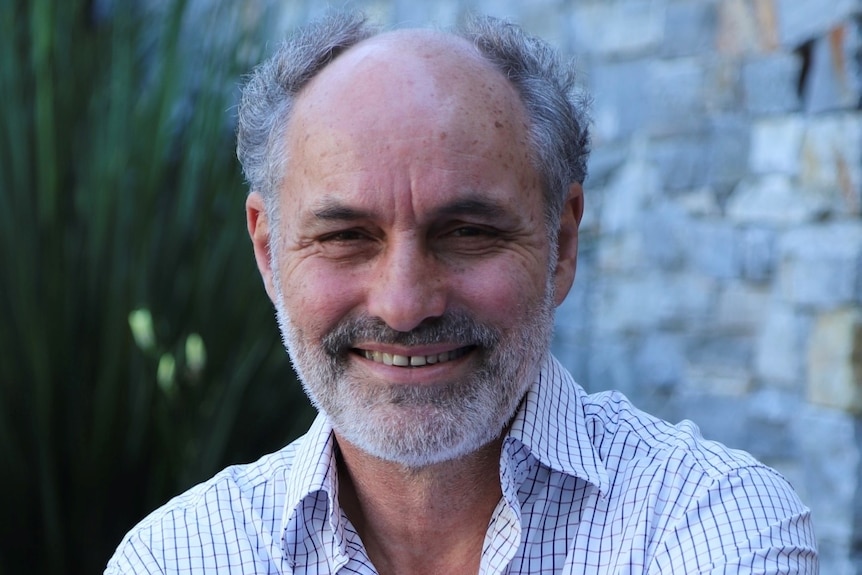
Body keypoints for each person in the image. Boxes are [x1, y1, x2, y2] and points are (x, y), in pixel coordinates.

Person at [105, 10, 818, 575]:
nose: (404, 303)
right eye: (347, 236)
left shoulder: (709, 522)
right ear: (267, 250)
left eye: (468, 231)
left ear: (561, 244)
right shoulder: (178, 555)